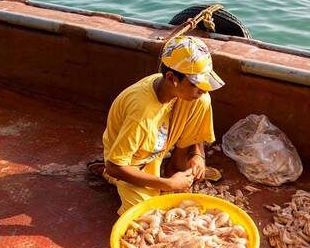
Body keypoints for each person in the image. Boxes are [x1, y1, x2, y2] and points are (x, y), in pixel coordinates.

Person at [89, 35, 223, 215]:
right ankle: (112, 176)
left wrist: (198, 155)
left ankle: (174, 166)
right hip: (133, 162)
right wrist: (168, 184)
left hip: (158, 143)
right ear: (171, 78)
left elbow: (196, 132)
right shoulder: (142, 112)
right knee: (147, 214)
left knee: (202, 100)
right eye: (196, 84)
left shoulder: (175, 89)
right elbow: (116, 166)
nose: (202, 89)